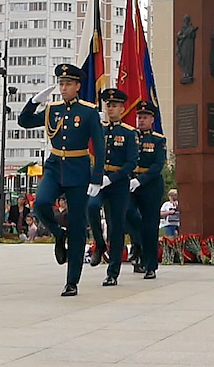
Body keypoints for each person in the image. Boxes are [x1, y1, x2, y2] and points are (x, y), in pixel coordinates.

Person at [20, 63, 106, 297]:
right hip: (55, 166)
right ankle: (59, 234)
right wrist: (36, 101)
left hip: (78, 170)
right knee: (40, 204)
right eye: (61, 83)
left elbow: (99, 146)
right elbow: (24, 122)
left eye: (68, 84)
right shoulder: (52, 109)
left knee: (78, 226)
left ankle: (72, 281)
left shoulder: (88, 111)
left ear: (78, 86)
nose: (63, 88)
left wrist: (97, 177)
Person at [87, 87, 138, 286]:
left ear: (122, 108)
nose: (111, 109)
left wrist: (113, 178)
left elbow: (131, 162)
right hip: (100, 179)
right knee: (91, 207)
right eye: (108, 105)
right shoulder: (99, 129)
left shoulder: (129, 133)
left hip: (118, 184)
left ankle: (113, 272)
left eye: (115, 106)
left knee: (116, 226)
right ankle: (99, 245)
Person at [128, 100, 167, 280]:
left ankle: (150, 265)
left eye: (144, 117)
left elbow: (157, 165)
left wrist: (141, 180)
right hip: (130, 184)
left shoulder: (158, 140)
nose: (141, 120)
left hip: (150, 185)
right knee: (128, 214)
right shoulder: (130, 137)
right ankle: (137, 244)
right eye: (139, 117)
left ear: (152, 119)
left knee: (151, 226)